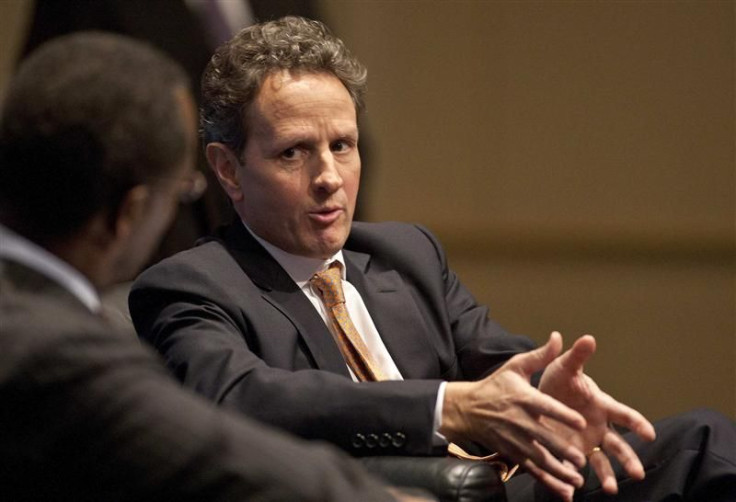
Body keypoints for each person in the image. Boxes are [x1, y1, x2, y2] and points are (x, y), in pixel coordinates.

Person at [129, 16, 736, 502]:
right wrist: (446, 407)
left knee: (703, 442)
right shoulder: (191, 287)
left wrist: (544, 394)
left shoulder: (405, 254)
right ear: (228, 170)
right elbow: (245, 400)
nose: (329, 179)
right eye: (294, 154)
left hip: (509, 486)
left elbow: (497, 359)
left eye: (343, 146)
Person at [0, 31, 410, 502]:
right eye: (182, 192)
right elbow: (218, 457)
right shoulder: (56, 351)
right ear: (127, 215)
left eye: (343, 145)